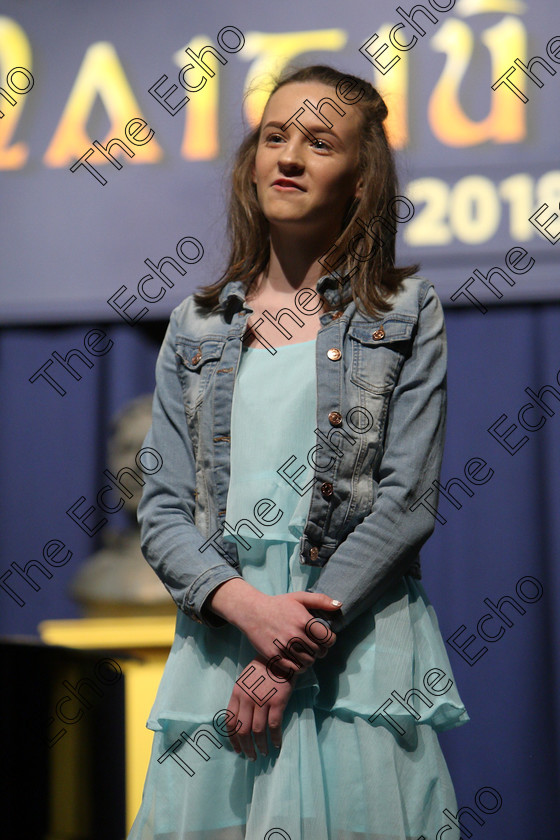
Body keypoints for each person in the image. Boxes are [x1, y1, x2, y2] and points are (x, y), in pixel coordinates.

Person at [127, 64, 469, 840]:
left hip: (350, 652)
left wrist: (286, 656)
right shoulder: (198, 324)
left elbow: (407, 502)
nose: (289, 157)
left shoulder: (406, 312)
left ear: (361, 180)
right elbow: (164, 513)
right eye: (275, 137)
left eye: (319, 142)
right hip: (223, 651)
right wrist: (249, 611)